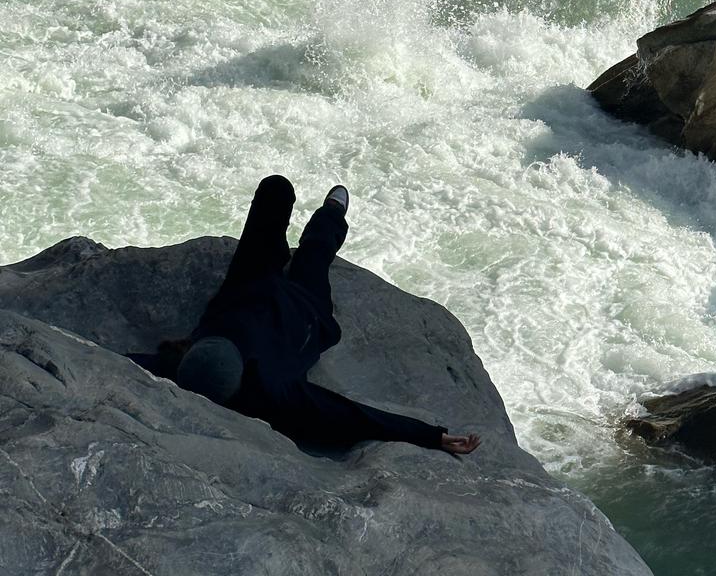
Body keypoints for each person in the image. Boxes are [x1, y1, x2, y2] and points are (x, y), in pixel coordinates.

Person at [130, 175, 481, 456]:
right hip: (299, 310)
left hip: (251, 290)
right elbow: (351, 416)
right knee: (311, 250)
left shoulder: (185, 368)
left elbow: (132, 363)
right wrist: (432, 436)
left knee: (282, 203)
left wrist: (434, 437)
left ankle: (325, 213)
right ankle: (331, 213)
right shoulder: (271, 394)